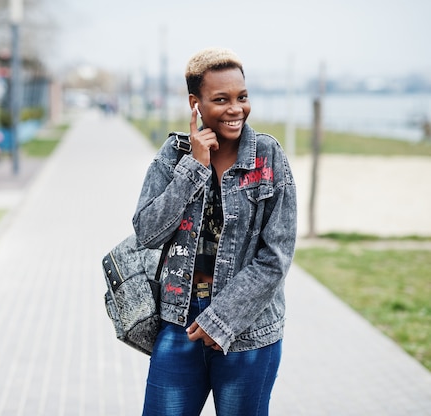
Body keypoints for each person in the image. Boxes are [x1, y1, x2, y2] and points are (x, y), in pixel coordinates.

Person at [133, 47, 297, 415]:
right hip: (180, 325)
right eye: (221, 99)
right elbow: (147, 233)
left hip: (249, 333)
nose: (236, 109)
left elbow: (277, 257)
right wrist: (194, 166)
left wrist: (220, 320)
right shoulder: (174, 155)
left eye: (242, 97)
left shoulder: (268, 157)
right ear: (196, 103)